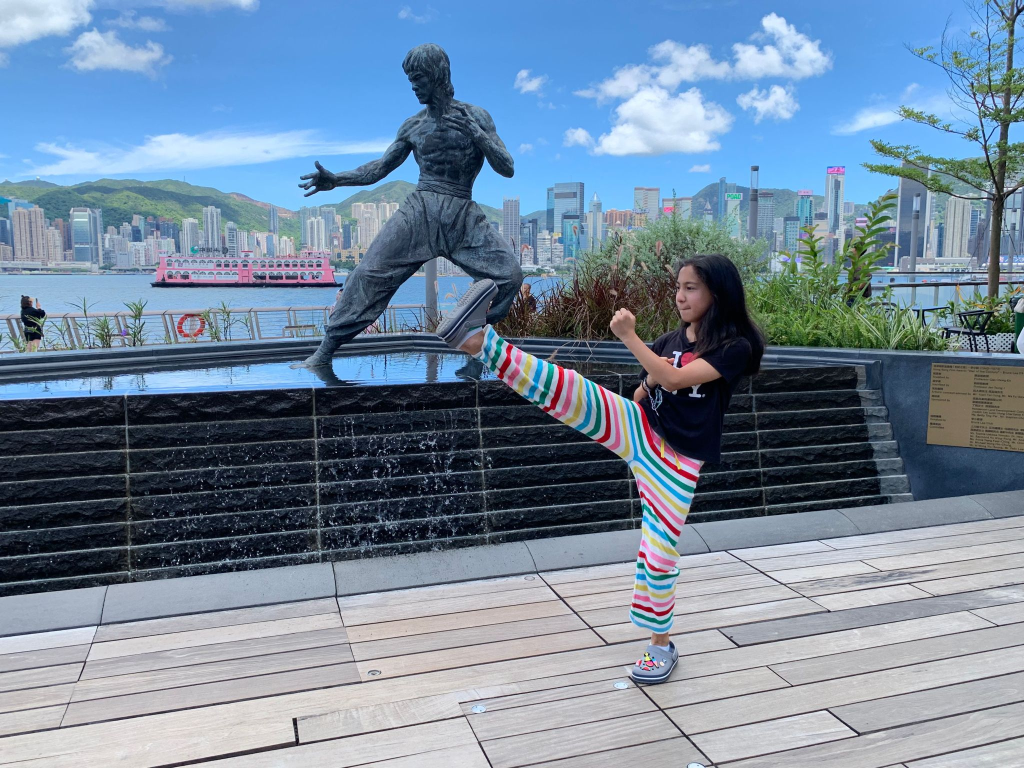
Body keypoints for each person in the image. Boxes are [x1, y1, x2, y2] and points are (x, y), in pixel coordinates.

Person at [435, 254, 764, 684]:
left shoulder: (734, 346)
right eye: (678, 287)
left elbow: (675, 378)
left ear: (716, 294)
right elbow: (648, 384)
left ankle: (659, 645)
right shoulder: (671, 340)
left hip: (678, 463)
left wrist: (629, 337)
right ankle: (481, 343)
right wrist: (638, 396)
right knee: (574, 391)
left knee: (659, 553)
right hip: (644, 431)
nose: (680, 296)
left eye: (690, 288)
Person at [296, 43, 522, 367]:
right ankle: (325, 351)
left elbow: (507, 167)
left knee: (509, 276)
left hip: (461, 212)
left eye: (418, 79)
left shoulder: (477, 117)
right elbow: (379, 168)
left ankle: (475, 340)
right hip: (420, 212)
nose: (413, 86)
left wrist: (479, 135)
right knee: (367, 275)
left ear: (437, 75)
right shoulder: (413, 126)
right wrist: (337, 180)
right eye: (410, 80)